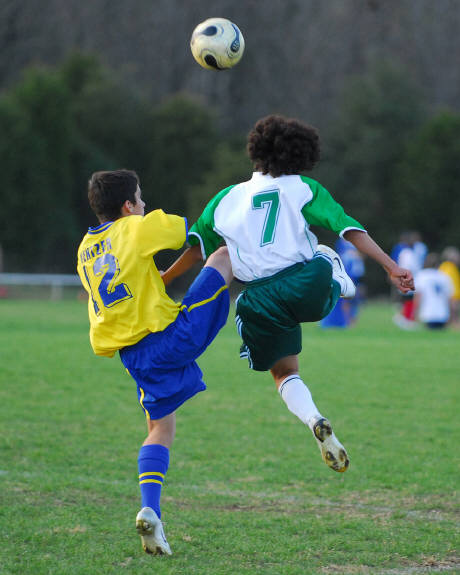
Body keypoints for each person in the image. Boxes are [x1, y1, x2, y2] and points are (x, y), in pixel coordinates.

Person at [162, 115, 414, 474]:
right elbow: (348, 228)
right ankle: (340, 283)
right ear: (303, 155)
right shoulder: (303, 188)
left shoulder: (226, 198)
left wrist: (166, 276)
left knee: (283, 373)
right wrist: (390, 266)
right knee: (324, 252)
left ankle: (313, 418)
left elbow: (197, 248)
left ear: (255, 151)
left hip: (258, 300)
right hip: (306, 285)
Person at [77, 170, 232, 556]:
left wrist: (157, 277)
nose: (144, 205)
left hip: (133, 356)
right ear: (128, 206)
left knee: (161, 427)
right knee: (224, 256)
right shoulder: (136, 227)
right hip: (171, 338)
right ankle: (273, 299)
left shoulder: (84, 249)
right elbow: (194, 232)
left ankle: (151, 511)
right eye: (141, 199)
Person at [414, 253, 454, 329]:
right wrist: (451, 316)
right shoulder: (445, 276)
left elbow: (418, 296)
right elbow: (449, 299)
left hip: (427, 314)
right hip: (443, 314)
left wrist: (415, 313)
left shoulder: (422, 275)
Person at [439, 246, 460, 327]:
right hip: (452, 295)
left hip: (454, 295)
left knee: (454, 313)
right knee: (452, 313)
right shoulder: (447, 267)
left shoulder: (452, 267)